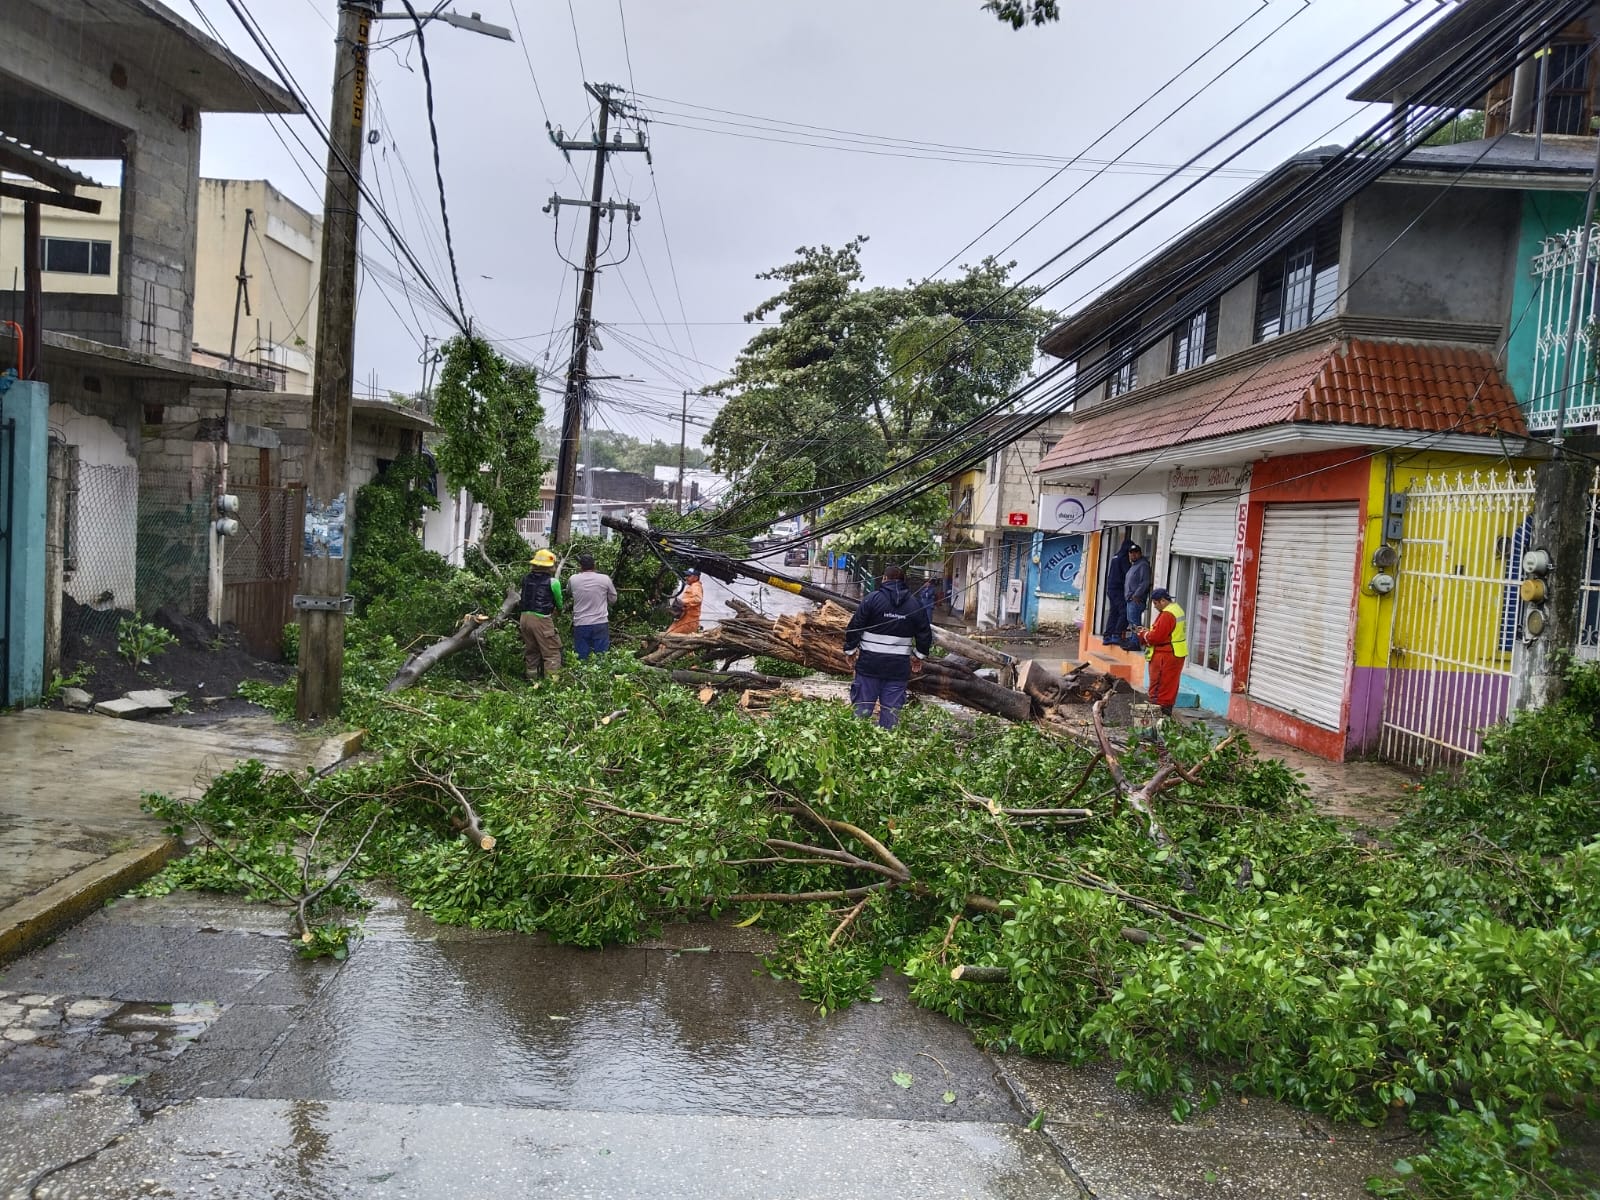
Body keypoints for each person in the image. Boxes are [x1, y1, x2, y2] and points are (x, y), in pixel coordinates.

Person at [843, 565, 934, 730]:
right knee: (891, 715)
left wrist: (850, 651)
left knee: (861, 713)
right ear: (903, 581)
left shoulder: (872, 599)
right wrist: (918, 656)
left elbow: (855, 626)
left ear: (884, 579)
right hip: (897, 669)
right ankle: (887, 747)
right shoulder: (915, 605)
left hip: (869, 666)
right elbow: (924, 634)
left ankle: (855, 744)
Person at [1138, 586, 1188, 716]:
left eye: (1155, 603)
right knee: (1170, 687)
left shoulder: (1167, 614)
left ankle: (1157, 718)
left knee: (1159, 687)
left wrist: (1144, 635)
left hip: (1165, 655)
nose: (1155, 607)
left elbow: (1157, 637)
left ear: (1162, 601)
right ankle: (1166, 718)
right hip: (1175, 653)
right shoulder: (1177, 609)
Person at [519, 548, 565, 682]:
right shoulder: (553, 582)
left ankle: (531, 680)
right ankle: (552, 685)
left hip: (524, 618)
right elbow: (559, 601)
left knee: (531, 650)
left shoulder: (525, 579)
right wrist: (559, 611)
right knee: (551, 652)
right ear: (549, 566)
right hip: (541, 619)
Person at [568, 553, 618, 661]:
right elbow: (613, 599)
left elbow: (569, 592)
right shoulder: (605, 579)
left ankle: (581, 676)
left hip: (581, 623)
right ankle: (601, 676)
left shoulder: (573, 579)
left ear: (580, 566)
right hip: (600, 623)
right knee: (602, 657)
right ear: (594, 566)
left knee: (581, 658)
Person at [1102, 536, 1135, 645]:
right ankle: (1116, 634)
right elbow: (1128, 574)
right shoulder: (1123, 558)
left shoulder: (1115, 556)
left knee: (1114, 612)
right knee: (1124, 612)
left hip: (1111, 588)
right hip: (1118, 589)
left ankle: (1107, 636)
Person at [1122, 543, 1151, 650]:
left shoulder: (1143, 565)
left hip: (1136, 600)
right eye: (1131, 553)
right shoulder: (1134, 565)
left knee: (1135, 622)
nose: (1133, 555)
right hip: (1130, 599)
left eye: (1136, 553)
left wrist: (1136, 595)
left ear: (1140, 553)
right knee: (1131, 621)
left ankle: (1136, 642)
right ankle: (1133, 640)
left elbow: (1145, 582)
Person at [666, 567, 703, 634]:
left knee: (669, 636)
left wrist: (683, 602)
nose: (686, 577)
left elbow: (698, 599)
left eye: (689, 576)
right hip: (685, 619)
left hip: (689, 621)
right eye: (686, 575)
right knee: (668, 635)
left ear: (696, 577)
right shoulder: (692, 586)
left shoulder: (696, 586)